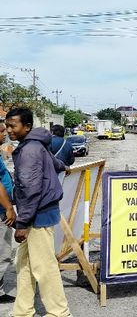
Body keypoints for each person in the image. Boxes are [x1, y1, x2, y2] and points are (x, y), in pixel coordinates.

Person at [6, 108, 72, 317]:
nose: (9, 130)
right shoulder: (36, 145)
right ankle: (22, 311)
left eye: (13, 125)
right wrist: (65, 167)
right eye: (7, 125)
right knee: (24, 264)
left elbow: (30, 189)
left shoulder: (29, 150)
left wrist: (23, 223)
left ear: (27, 126)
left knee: (45, 268)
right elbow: (54, 163)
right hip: (41, 212)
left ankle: (59, 313)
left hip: (37, 216)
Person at [0, 122, 16, 304]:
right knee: (3, 251)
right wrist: (9, 208)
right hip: (1, 209)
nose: (5, 133)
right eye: (2, 130)